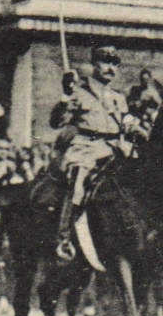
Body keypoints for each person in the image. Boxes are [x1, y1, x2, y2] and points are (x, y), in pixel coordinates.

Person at [51, 44, 131, 260]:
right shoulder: (79, 92)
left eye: (115, 64)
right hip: (85, 148)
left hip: (113, 149)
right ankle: (64, 238)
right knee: (78, 182)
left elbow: (126, 121)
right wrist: (66, 95)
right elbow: (56, 122)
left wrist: (135, 127)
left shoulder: (118, 98)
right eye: (105, 62)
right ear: (94, 64)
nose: (110, 68)